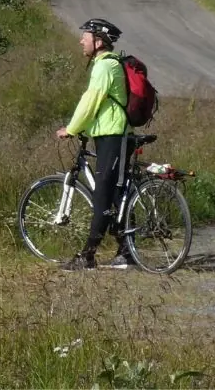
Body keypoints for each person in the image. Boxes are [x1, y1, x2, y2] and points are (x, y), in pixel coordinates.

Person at [55, 18, 132, 270]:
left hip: (113, 135)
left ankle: (87, 256)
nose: (81, 40)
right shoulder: (104, 65)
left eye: (85, 36)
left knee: (101, 197)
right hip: (108, 133)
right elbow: (101, 105)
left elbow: (91, 100)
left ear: (98, 42)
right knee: (112, 195)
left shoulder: (105, 67)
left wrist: (72, 128)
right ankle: (126, 251)